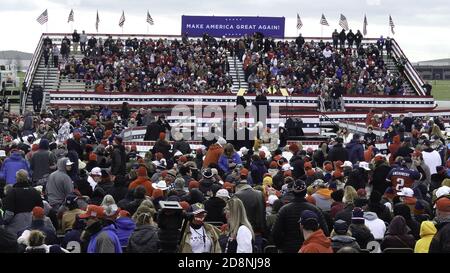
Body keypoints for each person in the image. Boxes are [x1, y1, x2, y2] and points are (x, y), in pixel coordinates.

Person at [272, 179, 329, 253]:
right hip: (310, 248)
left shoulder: (284, 210)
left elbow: (275, 232)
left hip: (290, 248)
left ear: (293, 192)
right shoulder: (315, 209)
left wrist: (281, 246)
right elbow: (325, 232)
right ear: (305, 192)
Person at [2, 170, 43, 235]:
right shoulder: (34, 191)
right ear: (27, 178)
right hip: (31, 227)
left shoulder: (12, 192)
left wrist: (4, 223)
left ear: (17, 179)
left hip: (14, 229)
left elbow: (9, 214)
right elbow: (41, 208)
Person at [234, 172, 266, 250]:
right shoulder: (259, 194)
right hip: (257, 231)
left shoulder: (237, 195)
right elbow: (263, 212)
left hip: (242, 231)